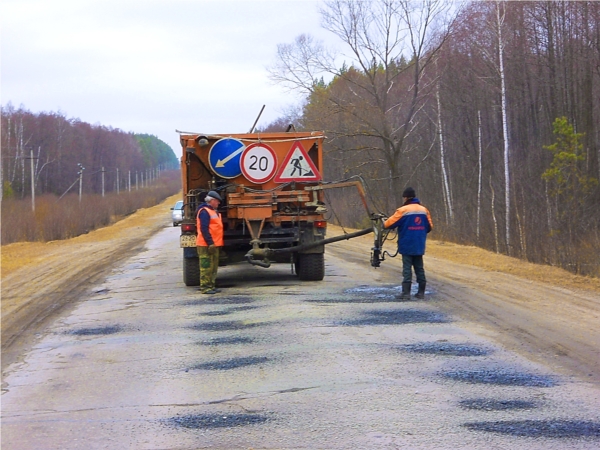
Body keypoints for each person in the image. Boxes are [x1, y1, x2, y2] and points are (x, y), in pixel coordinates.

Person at [384, 187, 433, 299]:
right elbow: (430, 227)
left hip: (406, 243)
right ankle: (421, 292)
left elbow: (388, 224)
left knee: (407, 268)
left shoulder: (402, 211)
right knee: (419, 267)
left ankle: (406, 293)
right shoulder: (424, 210)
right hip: (419, 244)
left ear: (405, 197)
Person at [196, 190, 224, 294]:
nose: (218, 203)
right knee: (206, 266)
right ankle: (205, 287)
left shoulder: (212, 211)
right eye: (217, 201)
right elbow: (204, 228)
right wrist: (210, 243)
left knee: (213, 267)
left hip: (214, 244)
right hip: (206, 245)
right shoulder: (204, 211)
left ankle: (211, 285)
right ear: (211, 200)